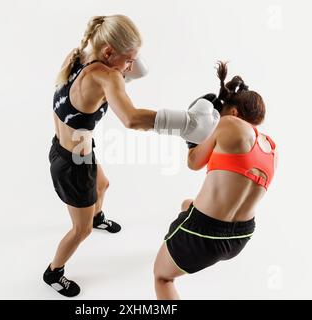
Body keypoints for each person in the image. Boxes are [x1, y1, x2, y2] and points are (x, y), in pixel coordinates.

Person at [44, 14, 220, 297]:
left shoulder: (78, 56)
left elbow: (123, 72)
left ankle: (97, 214)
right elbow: (131, 119)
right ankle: (54, 271)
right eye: (128, 60)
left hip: (68, 150)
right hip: (72, 166)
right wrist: (187, 123)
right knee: (81, 230)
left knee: (104, 185)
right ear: (109, 52)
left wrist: (126, 59)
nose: (130, 67)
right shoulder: (107, 76)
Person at [153, 61, 279, 300]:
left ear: (232, 112)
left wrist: (192, 134)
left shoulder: (228, 123)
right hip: (240, 237)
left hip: (205, 235)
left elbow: (194, 162)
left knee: (162, 277)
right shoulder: (272, 148)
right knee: (186, 204)